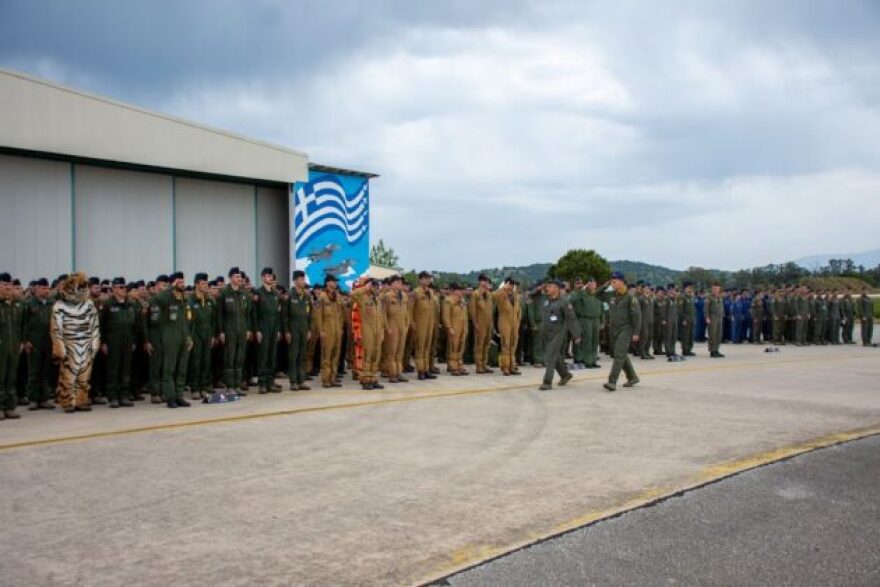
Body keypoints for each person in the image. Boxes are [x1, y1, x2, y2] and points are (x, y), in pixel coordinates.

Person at [156, 272, 192, 408]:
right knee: (169, 369)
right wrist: (171, 288)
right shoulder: (167, 299)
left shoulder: (185, 300)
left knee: (182, 369)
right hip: (170, 338)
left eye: (183, 282)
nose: (182, 284)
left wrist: (189, 337)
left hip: (184, 338)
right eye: (179, 282)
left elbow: (188, 321)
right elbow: (157, 299)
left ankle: (179, 396)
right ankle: (170, 397)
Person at [100, 277, 138, 408]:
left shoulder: (130, 304)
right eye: (121, 287)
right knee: (113, 369)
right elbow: (101, 325)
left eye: (124, 287)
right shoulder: (108, 304)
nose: (124, 289)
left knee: (126, 369)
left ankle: (124, 395)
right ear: (114, 289)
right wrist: (103, 342)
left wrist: (133, 340)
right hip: (113, 341)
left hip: (127, 341)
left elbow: (135, 325)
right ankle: (113, 396)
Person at [538, 280, 581, 391]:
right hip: (546, 333)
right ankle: (565, 374)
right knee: (554, 356)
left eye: (551, 286)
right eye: (547, 286)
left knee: (550, 357)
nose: (548, 288)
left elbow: (572, 319)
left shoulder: (564, 302)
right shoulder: (547, 301)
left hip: (558, 333)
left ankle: (547, 382)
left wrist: (576, 334)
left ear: (557, 288)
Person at [600, 272, 640, 392]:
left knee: (618, 355)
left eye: (615, 280)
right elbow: (596, 295)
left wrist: (636, 332)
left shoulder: (630, 297)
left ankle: (612, 382)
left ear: (622, 281)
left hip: (625, 329)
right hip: (614, 330)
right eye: (612, 281)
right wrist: (605, 285)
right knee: (621, 354)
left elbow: (637, 316)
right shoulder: (611, 295)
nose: (613, 283)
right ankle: (632, 377)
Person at [218, 267, 252, 395]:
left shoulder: (244, 294)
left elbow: (247, 313)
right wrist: (221, 331)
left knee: (240, 358)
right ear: (231, 278)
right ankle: (229, 386)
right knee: (229, 358)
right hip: (229, 330)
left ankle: (237, 385)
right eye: (237, 277)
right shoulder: (224, 294)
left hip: (242, 330)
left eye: (240, 277)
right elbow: (219, 315)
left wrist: (248, 328)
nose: (239, 279)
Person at [23, 277, 55, 410]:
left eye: (47, 288)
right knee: (34, 371)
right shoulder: (29, 304)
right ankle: (33, 399)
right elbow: (23, 324)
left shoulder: (51, 303)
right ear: (36, 289)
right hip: (34, 342)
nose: (45, 290)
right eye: (43, 288)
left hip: (48, 341)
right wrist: (25, 341)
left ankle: (44, 398)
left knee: (45, 370)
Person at [350, 278, 385, 390]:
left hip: (377, 331)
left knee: (376, 355)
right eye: (374, 286)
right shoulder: (362, 298)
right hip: (367, 331)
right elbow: (352, 293)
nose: (377, 289)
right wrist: (365, 287)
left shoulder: (378, 300)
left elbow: (381, 317)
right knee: (368, 355)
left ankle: (373, 379)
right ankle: (366, 380)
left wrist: (382, 330)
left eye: (378, 287)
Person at [187, 273, 217, 399]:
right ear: (196, 285)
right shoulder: (190, 301)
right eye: (203, 283)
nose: (206, 286)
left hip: (207, 333)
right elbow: (188, 321)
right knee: (196, 362)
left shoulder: (210, 301)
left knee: (206, 362)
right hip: (195, 334)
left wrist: (213, 335)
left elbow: (213, 319)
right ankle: (195, 388)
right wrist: (189, 337)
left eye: (206, 283)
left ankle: (203, 387)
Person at [0, 272, 26, 419]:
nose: (8, 287)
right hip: (1, 347)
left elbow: (23, 325)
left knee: (11, 377)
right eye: (4, 285)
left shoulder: (17, 304)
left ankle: (10, 407)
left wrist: (22, 341)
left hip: (14, 345)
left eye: (9, 285)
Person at [253, 267, 282, 393]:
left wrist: (278, 330)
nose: (269, 278)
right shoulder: (258, 293)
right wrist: (257, 330)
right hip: (263, 328)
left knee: (272, 356)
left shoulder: (275, 294)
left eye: (271, 276)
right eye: (267, 276)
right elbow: (254, 314)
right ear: (263, 278)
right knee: (263, 356)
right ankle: (263, 383)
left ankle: (270, 382)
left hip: (273, 328)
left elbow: (278, 314)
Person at [284, 270, 312, 391]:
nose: (303, 281)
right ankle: (293, 381)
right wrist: (286, 331)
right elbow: (284, 316)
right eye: (301, 279)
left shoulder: (306, 296)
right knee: (293, 355)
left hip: (304, 327)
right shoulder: (289, 295)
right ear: (295, 281)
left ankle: (301, 380)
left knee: (302, 355)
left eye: (303, 279)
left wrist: (309, 329)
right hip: (293, 327)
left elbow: (310, 314)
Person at [314, 275, 344, 388]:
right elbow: (318, 316)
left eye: (336, 282)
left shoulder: (337, 297)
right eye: (334, 281)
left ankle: (333, 378)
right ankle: (326, 379)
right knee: (326, 356)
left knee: (335, 356)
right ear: (328, 283)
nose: (335, 283)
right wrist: (321, 330)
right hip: (327, 331)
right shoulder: (322, 297)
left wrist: (340, 328)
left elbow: (341, 315)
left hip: (337, 332)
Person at [380, 275, 410, 383]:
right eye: (397, 282)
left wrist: (407, 325)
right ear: (392, 284)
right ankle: (392, 373)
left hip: (402, 325)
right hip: (392, 324)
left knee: (400, 350)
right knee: (391, 351)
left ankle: (399, 372)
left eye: (400, 282)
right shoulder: (387, 296)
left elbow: (407, 312)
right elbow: (383, 313)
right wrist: (387, 327)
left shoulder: (405, 296)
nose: (400, 284)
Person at [493, 277, 523, 376]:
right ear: (506, 284)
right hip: (505, 323)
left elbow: (518, 311)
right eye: (510, 284)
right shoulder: (501, 294)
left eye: (513, 284)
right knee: (505, 345)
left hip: (514, 324)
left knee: (513, 346)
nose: (512, 286)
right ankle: (505, 367)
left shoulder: (515, 296)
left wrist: (518, 322)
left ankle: (511, 366)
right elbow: (493, 296)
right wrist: (503, 288)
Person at [468, 274, 495, 373]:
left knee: (486, 344)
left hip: (489, 323)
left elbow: (491, 310)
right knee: (479, 345)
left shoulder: (488, 294)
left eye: (487, 281)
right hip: (480, 323)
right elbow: (472, 310)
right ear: (480, 282)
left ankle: (484, 364)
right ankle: (479, 366)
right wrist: (475, 323)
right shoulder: (475, 294)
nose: (486, 283)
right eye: (484, 281)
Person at [442, 283, 470, 376]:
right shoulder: (448, 300)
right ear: (453, 290)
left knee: (461, 347)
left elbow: (465, 314)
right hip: (454, 326)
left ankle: (459, 365)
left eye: (461, 290)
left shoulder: (462, 300)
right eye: (459, 290)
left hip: (463, 327)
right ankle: (453, 366)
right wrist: (449, 327)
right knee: (453, 347)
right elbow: (446, 316)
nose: (461, 292)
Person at [706, 283, 725, 358]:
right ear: (712, 289)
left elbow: (721, 307)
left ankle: (716, 349)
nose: (716, 290)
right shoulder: (709, 298)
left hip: (719, 318)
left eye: (717, 289)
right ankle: (712, 351)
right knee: (712, 335)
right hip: (712, 318)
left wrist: (723, 314)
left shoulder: (719, 297)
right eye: (715, 289)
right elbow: (706, 308)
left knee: (719, 335)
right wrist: (707, 317)